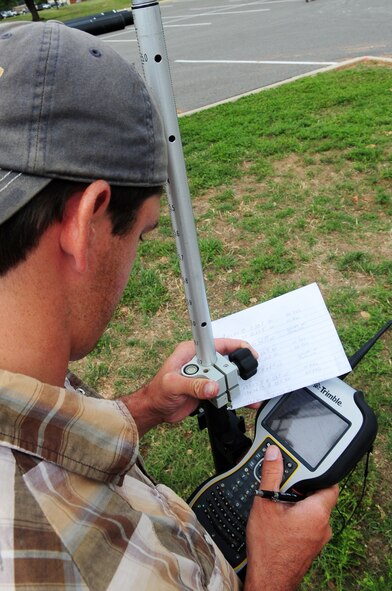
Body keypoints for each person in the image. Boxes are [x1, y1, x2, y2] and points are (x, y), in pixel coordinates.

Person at [0, 21, 338, 590]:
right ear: (86, 222)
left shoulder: (24, 357)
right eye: (143, 235)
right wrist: (273, 573)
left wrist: (145, 406)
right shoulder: (47, 562)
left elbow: (42, 437)